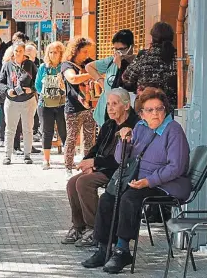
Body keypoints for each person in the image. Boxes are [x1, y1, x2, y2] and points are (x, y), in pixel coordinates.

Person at [82, 87, 190, 274]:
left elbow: (176, 167)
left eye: (159, 108)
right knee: (109, 196)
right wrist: (124, 141)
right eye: (150, 110)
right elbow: (119, 159)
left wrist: (149, 181)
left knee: (129, 197)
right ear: (141, 113)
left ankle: (122, 249)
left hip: (166, 184)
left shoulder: (173, 130)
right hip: (138, 179)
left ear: (166, 109)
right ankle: (103, 247)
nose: (155, 113)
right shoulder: (140, 127)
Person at [63, 89, 139, 248]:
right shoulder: (109, 124)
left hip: (119, 171)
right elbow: (96, 148)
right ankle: (79, 226)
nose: (110, 108)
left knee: (84, 183)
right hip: (102, 167)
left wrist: (95, 163)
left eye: (114, 104)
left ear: (126, 106)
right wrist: (87, 162)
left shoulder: (134, 126)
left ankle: (94, 228)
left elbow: (122, 159)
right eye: (108, 104)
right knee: (72, 182)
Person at [61, 37, 98, 177]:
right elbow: (73, 79)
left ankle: (88, 167)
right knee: (71, 138)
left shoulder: (88, 63)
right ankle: (68, 168)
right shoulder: (67, 65)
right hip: (73, 108)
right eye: (84, 51)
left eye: (88, 51)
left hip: (89, 107)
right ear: (75, 51)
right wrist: (92, 74)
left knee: (90, 139)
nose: (86, 55)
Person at [121, 22, 177, 112]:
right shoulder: (178, 57)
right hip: (171, 110)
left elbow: (126, 78)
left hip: (146, 109)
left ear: (152, 38)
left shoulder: (144, 56)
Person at [0, 41, 38, 165]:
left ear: (24, 51)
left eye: (21, 51)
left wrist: (31, 89)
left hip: (28, 101)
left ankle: (27, 155)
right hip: (12, 101)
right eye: (16, 51)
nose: (18, 53)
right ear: (13, 52)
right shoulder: (7, 65)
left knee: (28, 129)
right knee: (10, 129)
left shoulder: (30, 65)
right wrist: (7, 90)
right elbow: (0, 82)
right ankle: (7, 155)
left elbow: (38, 82)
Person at [86, 29, 136, 127]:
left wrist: (121, 66)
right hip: (104, 116)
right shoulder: (110, 61)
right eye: (115, 49)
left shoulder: (135, 64)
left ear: (131, 47)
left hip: (123, 117)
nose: (118, 53)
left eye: (121, 49)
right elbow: (89, 67)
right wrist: (101, 82)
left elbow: (128, 87)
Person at [35, 41, 67, 170]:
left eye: (56, 52)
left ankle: (67, 159)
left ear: (61, 53)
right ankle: (46, 160)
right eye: (51, 52)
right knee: (47, 131)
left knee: (64, 131)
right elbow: (37, 85)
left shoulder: (64, 67)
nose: (53, 55)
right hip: (45, 103)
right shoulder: (43, 67)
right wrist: (46, 90)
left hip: (62, 103)